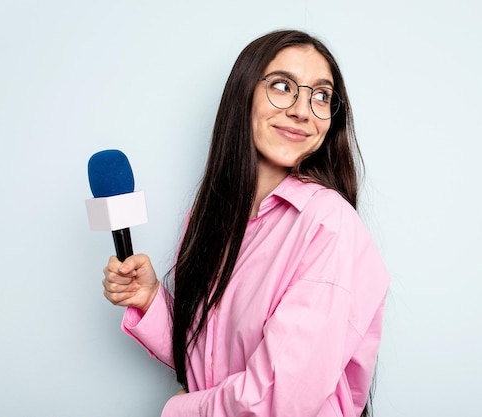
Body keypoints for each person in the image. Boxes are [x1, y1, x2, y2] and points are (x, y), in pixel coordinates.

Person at [102, 29, 390, 417]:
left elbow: (278, 400)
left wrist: (176, 411)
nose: (303, 110)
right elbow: (209, 363)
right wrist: (152, 300)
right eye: (283, 86)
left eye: (321, 95)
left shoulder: (328, 224)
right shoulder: (211, 216)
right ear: (244, 95)